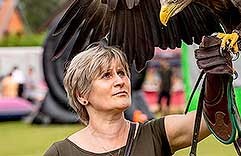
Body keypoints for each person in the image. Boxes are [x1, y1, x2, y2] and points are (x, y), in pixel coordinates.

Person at [44, 43, 210, 156]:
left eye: (122, 73)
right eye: (106, 75)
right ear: (82, 95)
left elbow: (214, 117)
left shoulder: (155, 134)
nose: (120, 81)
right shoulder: (61, 152)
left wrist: (218, 77)